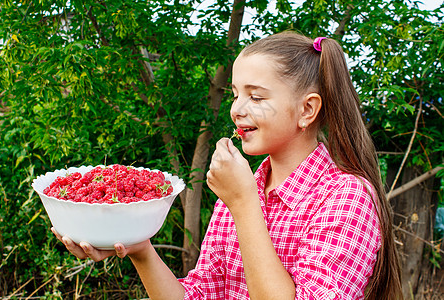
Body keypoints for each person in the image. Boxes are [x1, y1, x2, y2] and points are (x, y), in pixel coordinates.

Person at [52, 31, 403, 299]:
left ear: (307, 110)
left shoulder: (346, 198)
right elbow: (199, 294)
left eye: (257, 96)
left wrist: (244, 204)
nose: (237, 109)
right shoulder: (241, 193)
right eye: (236, 94)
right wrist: (139, 247)